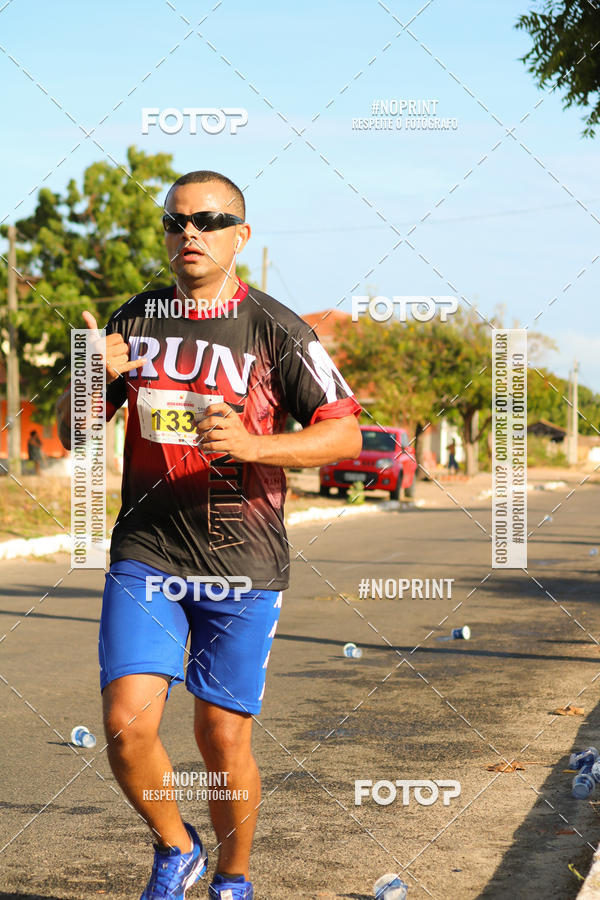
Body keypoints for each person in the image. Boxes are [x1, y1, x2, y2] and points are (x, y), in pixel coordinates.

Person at [56, 170, 362, 900]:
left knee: (221, 740)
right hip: (148, 550)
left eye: (210, 220)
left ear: (241, 237)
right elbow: (75, 434)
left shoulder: (276, 328)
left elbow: (345, 433)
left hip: (243, 558)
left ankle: (232, 876)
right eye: (176, 222)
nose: (190, 233)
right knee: (126, 725)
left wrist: (254, 447)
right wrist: (87, 377)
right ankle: (176, 848)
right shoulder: (136, 315)